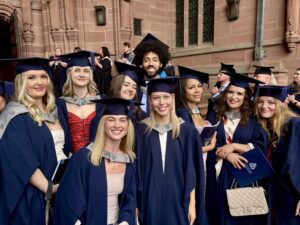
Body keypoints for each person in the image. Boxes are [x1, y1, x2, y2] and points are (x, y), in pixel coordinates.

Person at [0, 57, 69, 225]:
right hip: (35, 194)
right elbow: (22, 159)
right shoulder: (15, 116)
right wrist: (49, 188)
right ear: (21, 82)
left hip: (61, 187)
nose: (39, 82)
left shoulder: (55, 110)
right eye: (31, 77)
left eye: (43, 76)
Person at [135, 77, 208, 225]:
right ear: (149, 100)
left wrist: (192, 205)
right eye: (156, 98)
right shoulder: (140, 131)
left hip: (179, 199)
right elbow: (135, 171)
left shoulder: (187, 131)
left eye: (166, 97)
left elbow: (192, 172)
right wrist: (135, 205)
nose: (162, 103)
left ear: (173, 98)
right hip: (149, 199)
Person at [54, 98, 137, 225]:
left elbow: (129, 201)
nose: (117, 125)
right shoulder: (84, 158)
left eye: (122, 120)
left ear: (128, 125)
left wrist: (125, 222)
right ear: (103, 124)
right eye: (111, 120)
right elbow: (68, 201)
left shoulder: (128, 160)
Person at [205, 73, 268, 225]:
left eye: (239, 93)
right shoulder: (214, 117)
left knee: (242, 215)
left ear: (245, 97)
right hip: (219, 176)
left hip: (243, 175)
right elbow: (207, 145)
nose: (234, 97)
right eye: (231, 92)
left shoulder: (253, 120)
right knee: (219, 214)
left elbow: (261, 145)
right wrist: (226, 155)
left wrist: (233, 146)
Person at [254, 85, 300, 225]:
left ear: (280, 104)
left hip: (292, 194)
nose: (264, 106)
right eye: (260, 101)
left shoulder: (295, 125)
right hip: (272, 193)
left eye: (271, 102)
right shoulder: (265, 127)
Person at [57, 50, 105, 154]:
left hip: (98, 159)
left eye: (86, 71)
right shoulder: (61, 104)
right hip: (71, 160)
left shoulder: (102, 101)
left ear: (90, 75)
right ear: (70, 73)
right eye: (77, 70)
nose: (82, 75)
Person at [176, 65, 217, 157]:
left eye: (199, 86)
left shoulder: (196, 110)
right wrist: (210, 147)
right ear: (182, 91)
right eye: (191, 88)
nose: (197, 90)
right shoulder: (182, 114)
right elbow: (185, 149)